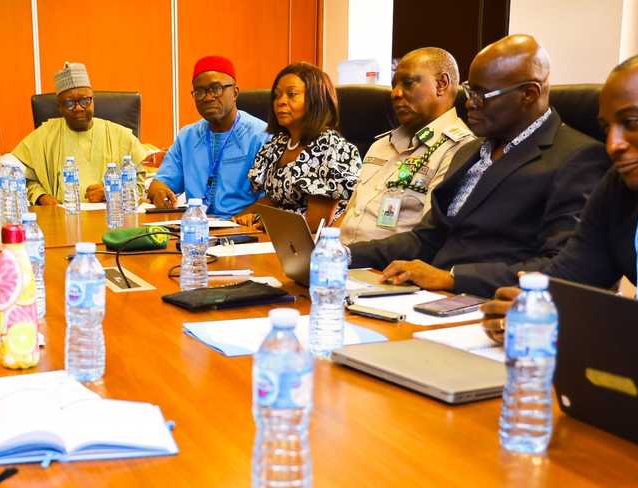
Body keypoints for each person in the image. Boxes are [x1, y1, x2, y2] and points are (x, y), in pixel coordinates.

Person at [482, 46, 638, 341]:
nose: (613, 145)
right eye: (607, 128)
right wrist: (530, 308)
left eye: (632, 123)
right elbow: (574, 275)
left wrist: (572, 323)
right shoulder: (623, 183)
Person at [348, 34, 610, 296]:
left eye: (482, 94)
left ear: (529, 94)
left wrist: (452, 279)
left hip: (494, 302)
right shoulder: (469, 151)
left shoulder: (578, 158)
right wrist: (343, 254)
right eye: (470, 90)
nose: (469, 103)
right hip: (431, 297)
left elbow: (562, 265)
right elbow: (426, 239)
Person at [338, 47, 475, 243]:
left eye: (408, 83)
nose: (395, 93)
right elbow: (351, 214)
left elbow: (428, 240)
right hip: (341, 255)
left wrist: (350, 253)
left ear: (441, 84)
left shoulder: (460, 148)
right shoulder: (381, 144)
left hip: (388, 260)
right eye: (394, 85)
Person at [11, 61, 151, 206]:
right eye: (69, 103)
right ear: (59, 107)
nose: (78, 108)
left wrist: (111, 191)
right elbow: (25, 179)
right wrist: (41, 196)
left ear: (93, 100)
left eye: (85, 101)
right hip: (62, 216)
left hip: (111, 215)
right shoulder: (44, 136)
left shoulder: (121, 136)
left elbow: (139, 186)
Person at [146, 55, 268, 216]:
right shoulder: (187, 137)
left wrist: (239, 221)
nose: (208, 98)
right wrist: (160, 193)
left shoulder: (262, 137)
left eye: (216, 89)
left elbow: (272, 199)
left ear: (235, 92)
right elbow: (159, 184)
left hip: (245, 227)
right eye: (200, 92)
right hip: (195, 226)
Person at [247, 61, 362, 231]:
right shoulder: (277, 144)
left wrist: (268, 225)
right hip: (275, 233)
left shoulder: (331, 148)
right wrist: (241, 218)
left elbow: (316, 224)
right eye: (277, 95)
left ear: (316, 100)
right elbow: (273, 199)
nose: (280, 101)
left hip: (312, 240)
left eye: (291, 94)